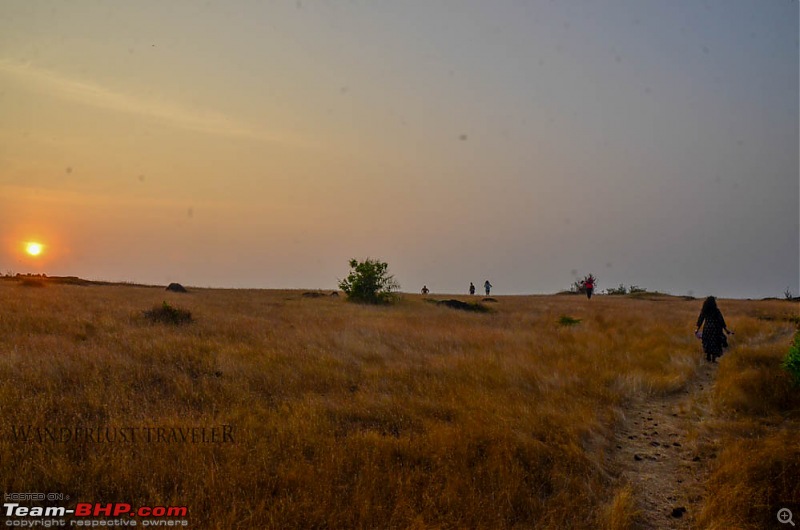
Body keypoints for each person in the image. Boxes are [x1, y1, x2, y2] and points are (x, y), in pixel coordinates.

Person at [695, 296, 733, 363]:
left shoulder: (705, 310)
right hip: (715, 329)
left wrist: (697, 329)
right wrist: (726, 330)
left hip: (707, 328)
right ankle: (713, 359)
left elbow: (700, 319)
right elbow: (721, 320)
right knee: (715, 343)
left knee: (708, 342)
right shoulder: (716, 310)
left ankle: (708, 356)